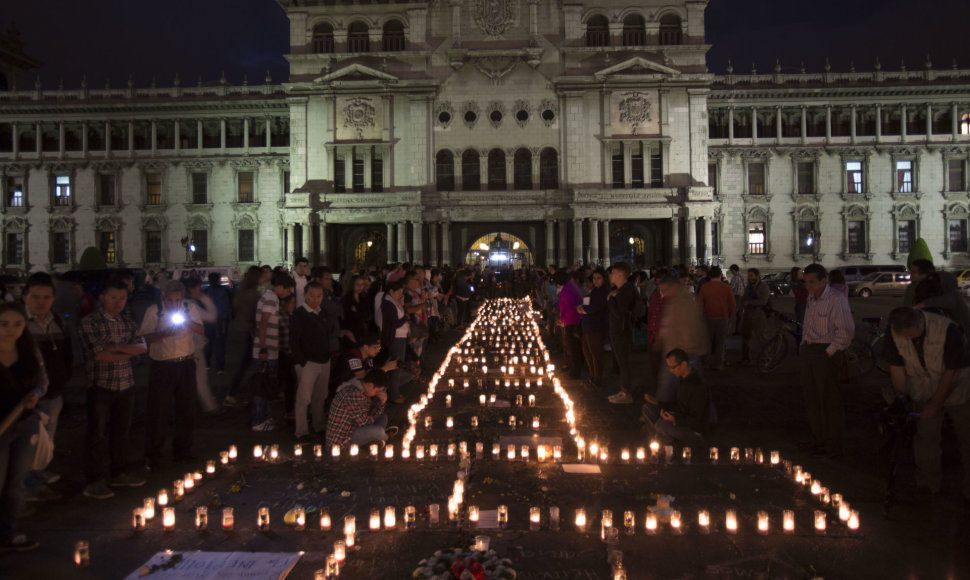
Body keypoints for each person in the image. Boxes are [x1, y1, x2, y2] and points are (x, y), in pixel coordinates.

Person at [885, 307, 970, 502]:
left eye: (909, 335)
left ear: (920, 324)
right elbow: (896, 367)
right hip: (923, 386)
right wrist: (901, 398)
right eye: (901, 336)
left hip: (958, 387)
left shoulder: (948, 330)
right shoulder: (893, 332)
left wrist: (936, 404)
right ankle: (927, 484)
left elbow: (953, 372)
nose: (905, 339)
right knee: (926, 437)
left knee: (967, 436)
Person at [78, 281, 147, 499]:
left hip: (126, 384)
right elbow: (99, 355)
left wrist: (116, 348)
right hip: (101, 384)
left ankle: (119, 472)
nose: (118, 302)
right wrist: (129, 350)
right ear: (102, 298)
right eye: (113, 298)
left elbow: (142, 348)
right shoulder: (90, 322)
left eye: (123, 298)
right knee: (97, 435)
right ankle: (94, 480)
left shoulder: (127, 321)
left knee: (121, 432)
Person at [139, 280, 204, 469]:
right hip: (163, 366)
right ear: (163, 298)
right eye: (170, 300)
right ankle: (153, 455)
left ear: (182, 298)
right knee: (158, 412)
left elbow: (201, 329)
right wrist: (164, 333)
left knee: (187, 410)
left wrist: (187, 322)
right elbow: (143, 338)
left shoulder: (189, 308)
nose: (174, 304)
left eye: (178, 300)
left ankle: (182, 451)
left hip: (186, 363)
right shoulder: (154, 311)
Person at [22, 273, 72, 503]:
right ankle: (27, 488)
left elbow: (66, 355)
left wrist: (64, 378)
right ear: (25, 297)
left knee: (46, 440)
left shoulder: (58, 321)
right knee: (26, 442)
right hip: (26, 396)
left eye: (46, 297)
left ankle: (37, 475)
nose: (41, 302)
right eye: (35, 297)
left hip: (53, 392)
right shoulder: (18, 322)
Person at [0, 303, 46, 551]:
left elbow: (42, 380)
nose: (11, 330)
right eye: (4, 324)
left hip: (24, 423)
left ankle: (7, 534)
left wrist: (36, 394)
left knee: (15, 483)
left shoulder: (28, 350)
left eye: (17, 324)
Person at [799, 264, 854, 457]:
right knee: (812, 397)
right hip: (809, 349)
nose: (808, 286)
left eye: (812, 282)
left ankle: (833, 442)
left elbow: (846, 331)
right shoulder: (811, 298)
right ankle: (819, 437)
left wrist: (829, 352)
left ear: (824, 280)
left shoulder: (835, 300)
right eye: (806, 282)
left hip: (826, 351)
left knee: (829, 398)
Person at [250, 271, 296, 431]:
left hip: (268, 349)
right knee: (263, 386)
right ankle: (259, 420)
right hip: (266, 351)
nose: (288, 294)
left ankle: (265, 418)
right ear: (280, 287)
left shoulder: (269, 297)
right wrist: (263, 348)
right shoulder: (270, 299)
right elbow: (263, 324)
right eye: (288, 290)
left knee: (266, 385)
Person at [654, 274, 707, 403]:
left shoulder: (686, 302)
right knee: (678, 386)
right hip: (674, 352)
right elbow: (668, 325)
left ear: (675, 286)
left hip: (683, 354)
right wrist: (661, 339)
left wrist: (683, 353)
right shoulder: (673, 302)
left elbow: (691, 329)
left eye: (666, 290)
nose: (664, 294)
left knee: (686, 387)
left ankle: (664, 412)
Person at [290, 282, 333, 438]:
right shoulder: (300, 314)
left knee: (320, 396)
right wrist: (301, 361)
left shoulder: (322, 312)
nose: (316, 300)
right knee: (304, 397)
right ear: (305, 295)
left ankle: (318, 424)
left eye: (319, 296)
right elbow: (293, 340)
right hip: (308, 362)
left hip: (324, 360)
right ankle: (301, 431)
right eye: (312, 296)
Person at [641, 348, 710, 444]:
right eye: (669, 367)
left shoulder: (697, 386)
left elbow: (697, 420)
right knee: (647, 408)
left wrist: (675, 419)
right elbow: (679, 405)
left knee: (661, 425)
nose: (671, 371)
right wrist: (658, 403)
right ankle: (660, 438)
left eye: (673, 367)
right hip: (680, 418)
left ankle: (661, 442)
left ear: (684, 364)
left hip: (695, 432)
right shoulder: (683, 379)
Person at [325, 369, 398, 450]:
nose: (377, 394)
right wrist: (369, 419)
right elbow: (364, 423)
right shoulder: (353, 393)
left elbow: (369, 415)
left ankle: (376, 439)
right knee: (379, 431)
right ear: (370, 385)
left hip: (355, 427)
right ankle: (385, 437)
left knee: (382, 417)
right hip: (342, 440)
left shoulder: (363, 389)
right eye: (377, 391)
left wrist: (381, 402)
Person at [223, 266, 262, 407]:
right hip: (249, 332)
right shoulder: (254, 295)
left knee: (244, 365)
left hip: (240, 330)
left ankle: (233, 394)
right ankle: (236, 394)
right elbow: (256, 316)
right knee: (249, 365)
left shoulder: (241, 292)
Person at [185, 277, 219, 414]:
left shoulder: (177, 303)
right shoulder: (190, 305)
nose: (200, 291)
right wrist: (205, 299)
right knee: (200, 378)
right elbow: (212, 316)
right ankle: (210, 406)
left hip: (180, 348)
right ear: (191, 290)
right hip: (194, 347)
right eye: (198, 289)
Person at [606, 262, 638, 404]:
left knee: (624, 362)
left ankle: (626, 393)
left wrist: (611, 300)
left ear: (620, 274)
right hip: (617, 330)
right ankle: (623, 390)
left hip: (622, 331)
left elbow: (619, 313)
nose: (610, 275)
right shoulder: (618, 289)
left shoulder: (626, 290)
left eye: (612, 272)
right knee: (621, 362)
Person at [697, 266, 735, 371]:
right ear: (720, 275)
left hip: (708, 317)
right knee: (720, 342)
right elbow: (732, 304)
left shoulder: (704, 287)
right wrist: (729, 316)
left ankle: (705, 363)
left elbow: (700, 304)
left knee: (707, 341)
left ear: (709, 276)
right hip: (722, 317)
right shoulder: (726, 287)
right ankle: (718, 364)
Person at [578, 268, 609, 390]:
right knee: (587, 350)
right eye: (594, 278)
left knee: (595, 353)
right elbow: (587, 303)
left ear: (604, 279)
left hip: (596, 326)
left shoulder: (604, 292)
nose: (595, 281)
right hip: (587, 325)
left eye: (598, 278)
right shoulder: (594, 291)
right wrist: (582, 307)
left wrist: (584, 309)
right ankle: (592, 375)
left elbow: (596, 307)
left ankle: (597, 379)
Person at [380, 280, 410, 404]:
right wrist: (406, 317)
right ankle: (394, 395)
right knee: (395, 366)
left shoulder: (394, 302)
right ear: (391, 291)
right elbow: (395, 323)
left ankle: (395, 392)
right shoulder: (388, 304)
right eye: (399, 293)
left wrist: (402, 304)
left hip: (400, 337)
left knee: (398, 365)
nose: (400, 295)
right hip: (395, 338)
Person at [555, 269, 583, 380]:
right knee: (574, 347)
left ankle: (575, 372)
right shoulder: (570, 286)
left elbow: (570, 308)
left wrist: (564, 320)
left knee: (573, 348)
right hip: (574, 320)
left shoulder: (567, 290)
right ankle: (575, 370)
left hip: (572, 322)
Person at [739, 268, 770, 365]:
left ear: (757, 276)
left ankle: (766, 359)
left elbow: (763, 301)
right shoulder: (749, 287)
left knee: (761, 337)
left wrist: (749, 302)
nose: (749, 278)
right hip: (748, 314)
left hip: (758, 314)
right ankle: (746, 358)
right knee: (745, 336)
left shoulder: (763, 287)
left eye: (751, 276)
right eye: (749, 276)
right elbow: (744, 297)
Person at [204, 272, 230, 374]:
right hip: (221, 320)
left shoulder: (206, 291)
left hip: (209, 320)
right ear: (219, 280)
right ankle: (219, 367)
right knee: (220, 343)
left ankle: (207, 363)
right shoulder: (225, 290)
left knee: (209, 342)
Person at [728, 264, 745, 334]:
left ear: (734, 270)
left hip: (736, 297)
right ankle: (739, 330)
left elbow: (731, 288)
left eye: (731, 271)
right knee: (740, 315)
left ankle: (728, 330)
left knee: (732, 313)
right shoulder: (743, 276)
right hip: (742, 296)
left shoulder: (735, 278)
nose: (731, 272)